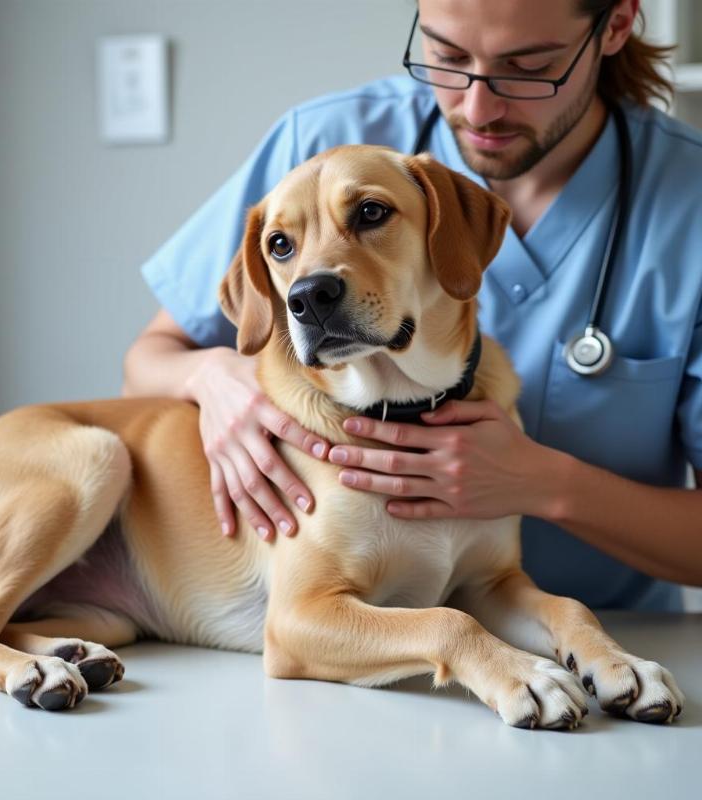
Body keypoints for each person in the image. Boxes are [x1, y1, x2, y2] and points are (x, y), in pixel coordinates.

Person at [122, 0, 702, 611]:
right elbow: (147, 360)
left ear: (614, 26)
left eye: (530, 66)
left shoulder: (687, 205)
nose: (477, 108)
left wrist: (543, 484)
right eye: (447, 57)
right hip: (355, 637)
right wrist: (211, 377)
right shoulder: (320, 146)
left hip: (610, 643)